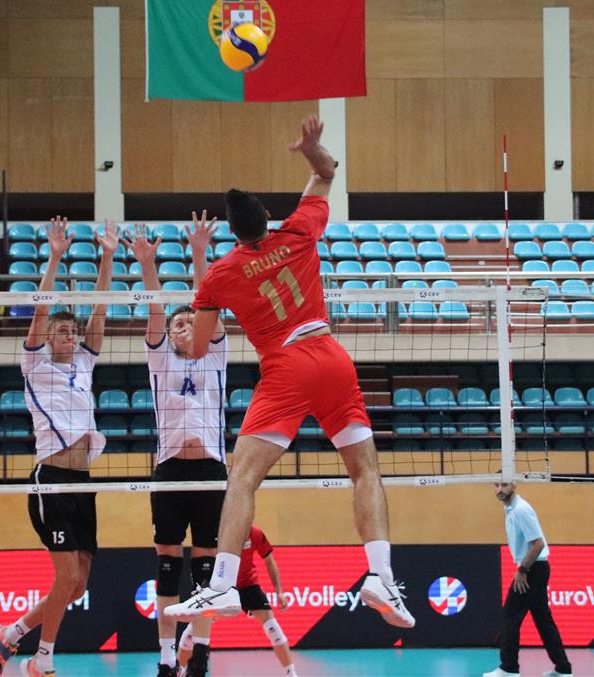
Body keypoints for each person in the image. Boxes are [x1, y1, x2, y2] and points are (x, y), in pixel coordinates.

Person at [165, 115, 414, 629]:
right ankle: (382, 577)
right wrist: (311, 148)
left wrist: (202, 310)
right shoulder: (299, 230)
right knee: (365, 470)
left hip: (285, 365)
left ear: (233, 233)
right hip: (331, 356)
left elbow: (199, 347)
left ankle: (220, 586)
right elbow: (326, 174)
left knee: (242, 478)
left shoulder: (221, 275)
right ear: (267, 216)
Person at [0, 217, 118, 677]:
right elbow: (41, 310)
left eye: (71, 332)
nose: (68, 336)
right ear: (47, 337)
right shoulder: (34, 364)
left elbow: (99, 310)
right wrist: (56, 256)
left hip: (82, 482)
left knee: (78, 585)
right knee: (67, 577)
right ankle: (41, 658)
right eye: (61, 332)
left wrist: (107, 255)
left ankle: (11, 633)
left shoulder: (84, 362)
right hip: (52, 481)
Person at [127, 215, 228, 677]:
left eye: (191, 321)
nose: (186, 325)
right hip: (169, 471)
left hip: (210, 472)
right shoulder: (160, 361)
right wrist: (147, 264)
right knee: (167, 567)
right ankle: (167, 659)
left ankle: (200, 653)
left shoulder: (215, 355)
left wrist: (199, 252)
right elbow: (155, 311)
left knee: (206, 573)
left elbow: (210, 303)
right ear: (168, 334)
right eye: (178, 323)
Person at [177, 524, 298, 677]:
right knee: (193, 630)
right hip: (221, 587)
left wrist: (279, 592)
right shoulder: (219, 533)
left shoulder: (255, 533)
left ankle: (291, 673)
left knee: (272, 627)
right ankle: (179, 671)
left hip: (248, 585)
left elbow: (269, 561)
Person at [484, 480, 571, 677]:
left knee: (510, 617)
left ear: (514, 485)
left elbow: (538, 544)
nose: (500, 489)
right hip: (535, 568)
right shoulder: (510, 509)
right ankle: (563, 669)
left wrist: (523, 570)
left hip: (532, 569)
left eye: (504, 485)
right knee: (543, 620)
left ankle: (509, 668)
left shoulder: (520, 510)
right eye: (496, 485)